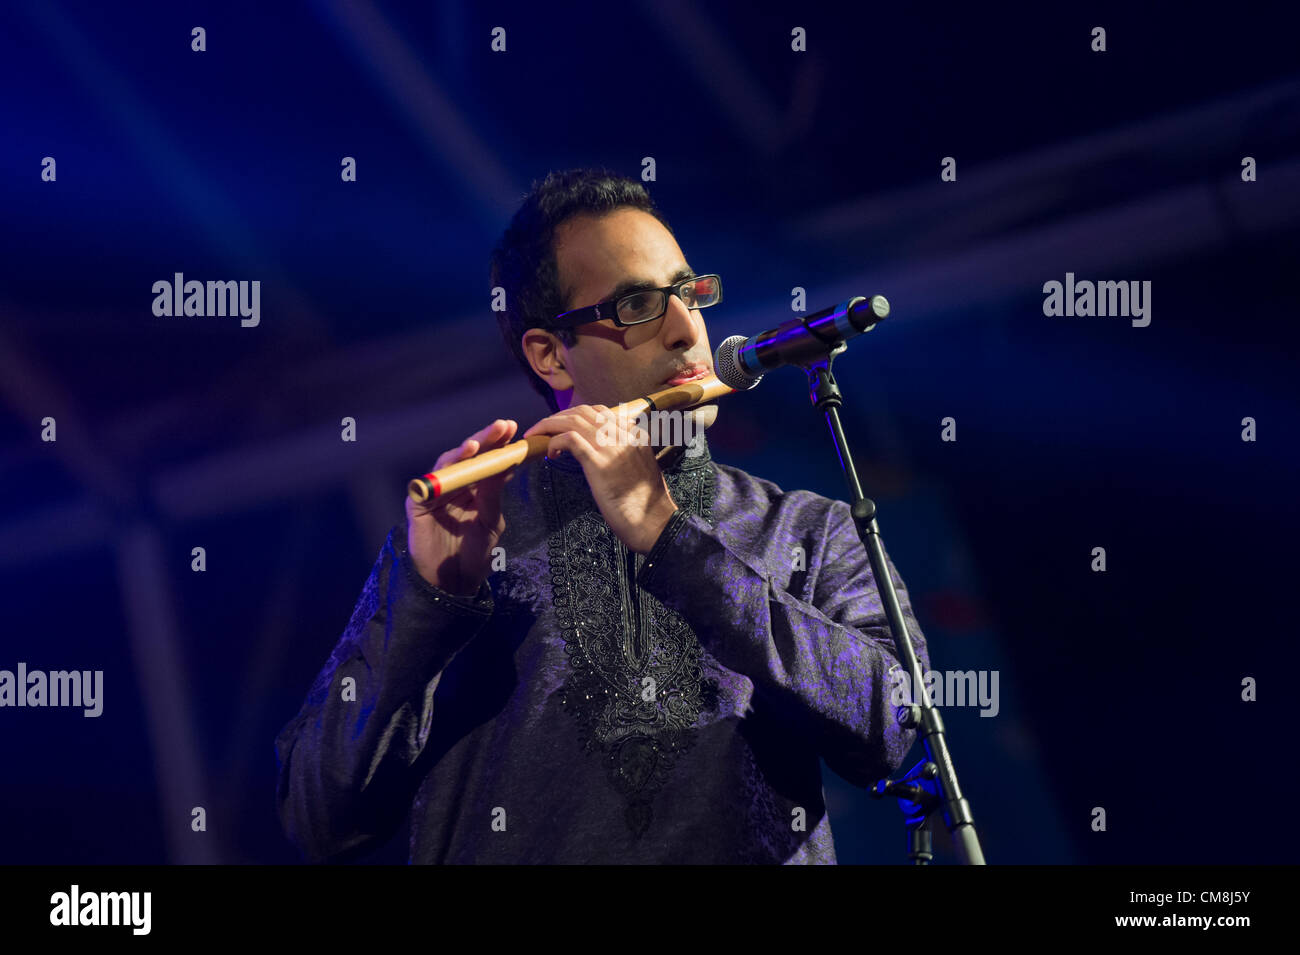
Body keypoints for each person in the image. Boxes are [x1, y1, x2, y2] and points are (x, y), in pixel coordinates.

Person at [274, 168, 930, 863]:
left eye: (688, 293)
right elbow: (319, 815)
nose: (685, 330)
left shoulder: (806, 530)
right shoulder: (466, 541)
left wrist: (667, 536)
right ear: (551, 354)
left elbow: (893, 723)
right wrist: (432, 602)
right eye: (638, 305)